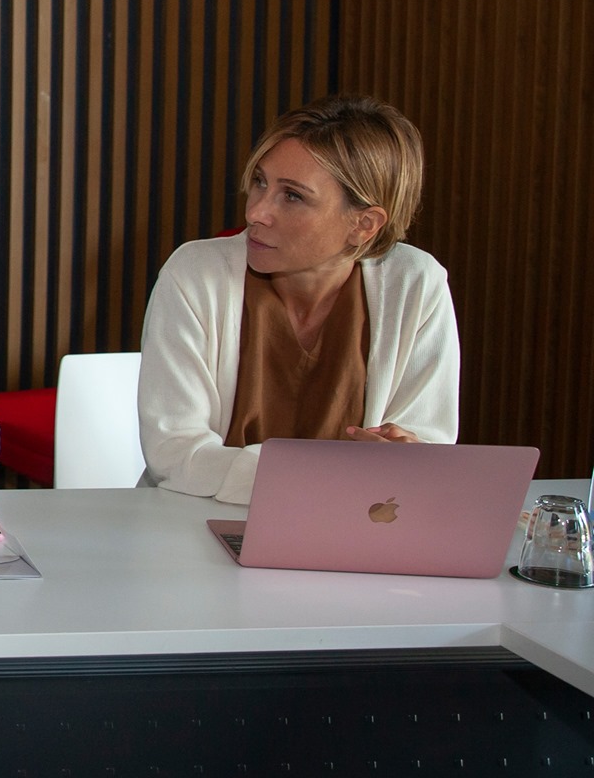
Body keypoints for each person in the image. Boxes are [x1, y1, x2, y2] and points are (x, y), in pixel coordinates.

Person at [138, 94, 457, 503]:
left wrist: (405, 460)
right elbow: (175, 453)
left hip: (352, 529)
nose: (256, 212)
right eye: (260, 182)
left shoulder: (416, 283)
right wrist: (336, 475)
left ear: (364, 224)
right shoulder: (194, 273)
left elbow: (423, 450)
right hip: (190, 521)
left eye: (292, 196)